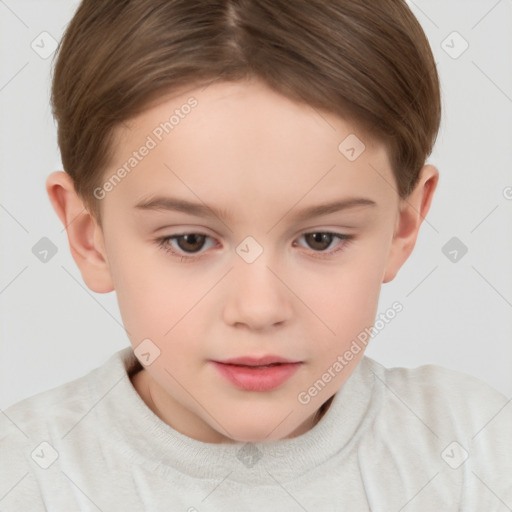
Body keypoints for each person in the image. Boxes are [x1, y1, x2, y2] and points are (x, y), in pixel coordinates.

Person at [1, 0, 511, 509]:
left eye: (320, 239)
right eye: (190, 241)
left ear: (404, 226)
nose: (259, 309)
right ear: (89, 235)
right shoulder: (25, 478)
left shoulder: (477, 453)